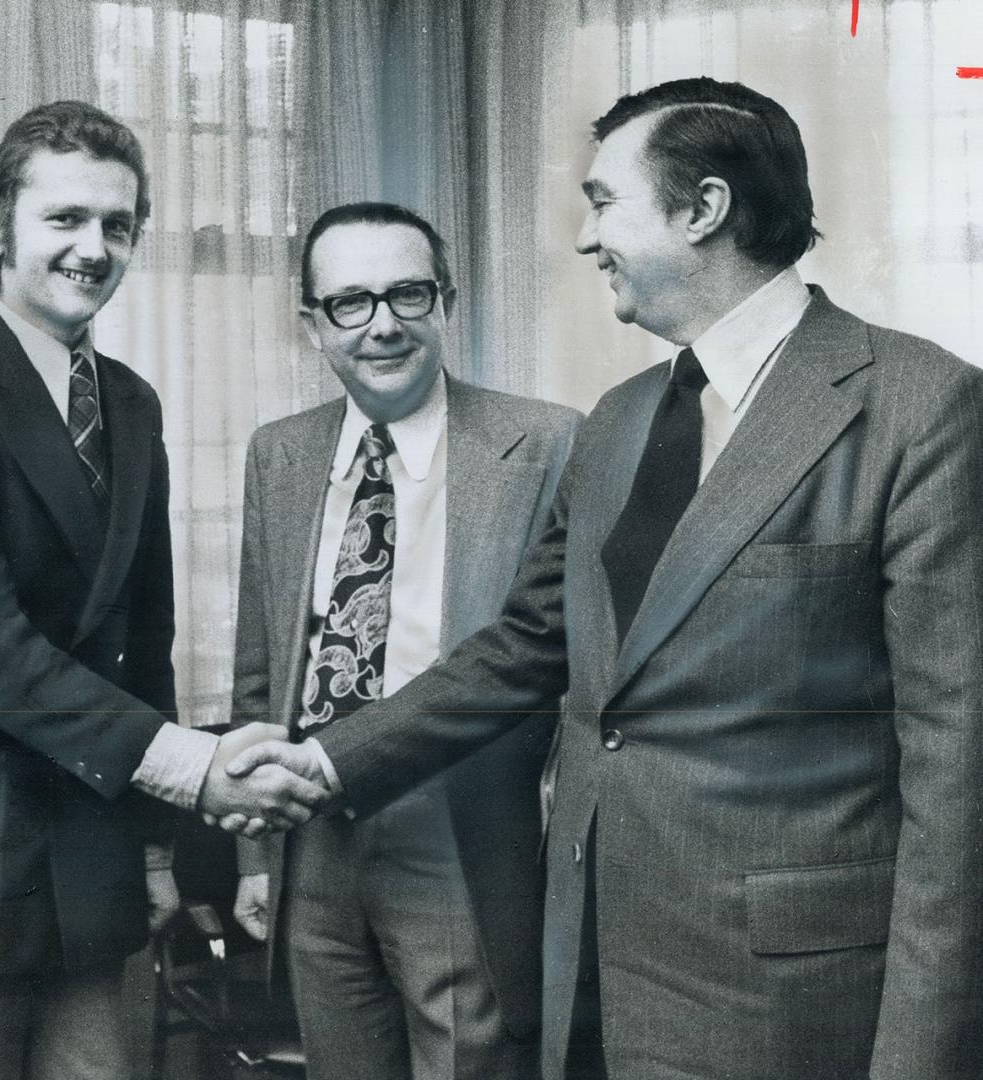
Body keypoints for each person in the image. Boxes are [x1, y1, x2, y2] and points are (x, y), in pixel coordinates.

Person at [225, 77, 983, 1079]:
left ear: (704, 209)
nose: (587, 239)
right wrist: (326, 761)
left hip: (789, 1000)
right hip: (594, 973)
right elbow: (525, 648)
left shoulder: (921, 408)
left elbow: (957, 772)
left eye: (603, 201)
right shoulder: (621, 420)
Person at [0, 100, 326, 1080]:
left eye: (117, 225)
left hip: (96, 846)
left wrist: (155, 854)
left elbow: (148, 638)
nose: (92, 248)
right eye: (64, 220)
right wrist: (187, 766)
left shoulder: (132, 403)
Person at [229, 201, 579, 1080]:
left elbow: (555, 658)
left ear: (447, 305)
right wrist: (256, 857)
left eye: (407, 294)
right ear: (313, 326)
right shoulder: (281, 452)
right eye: (349, 302)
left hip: (460, 832)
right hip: (313, 843)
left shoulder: (547, 443)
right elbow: (263, 665)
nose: (382, 324)